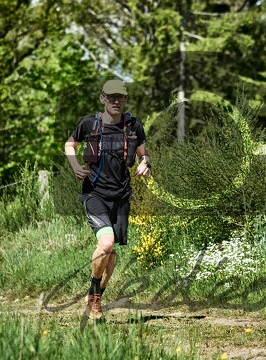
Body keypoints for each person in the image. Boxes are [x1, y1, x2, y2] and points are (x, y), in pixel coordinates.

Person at [64, 80, 151, 320]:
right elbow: (70, 144)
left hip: (121, 196)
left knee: (111, 255)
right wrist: (74, 166)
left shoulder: (134, 127)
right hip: (94, 193)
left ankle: (96, 295)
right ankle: (94, 293)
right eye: (110, 97)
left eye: (120, 98)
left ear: (125, 100)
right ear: (102, 98)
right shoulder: (88, 124)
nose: (115, 101)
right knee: (106, 245)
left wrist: (146, 164)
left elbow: (145, 154)